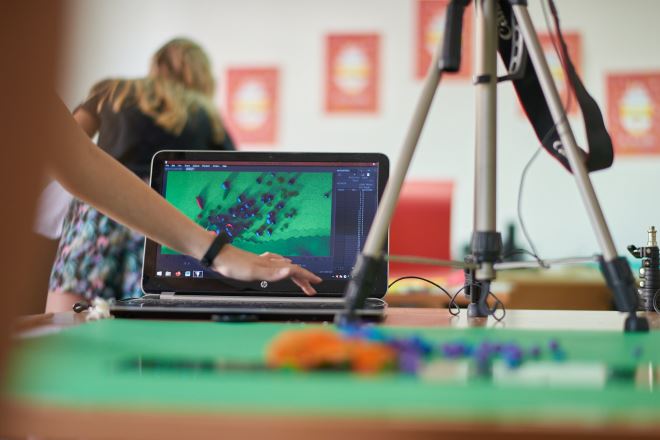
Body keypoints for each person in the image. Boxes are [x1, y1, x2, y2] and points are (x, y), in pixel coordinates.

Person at [46, 38, 240, 312]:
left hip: (101, 204)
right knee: (143, 309)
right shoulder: (207, 114)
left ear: (157, 63)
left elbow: (62, 143)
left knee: (68, 310)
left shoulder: (114, 90)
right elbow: (229, 177)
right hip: (162, 219)